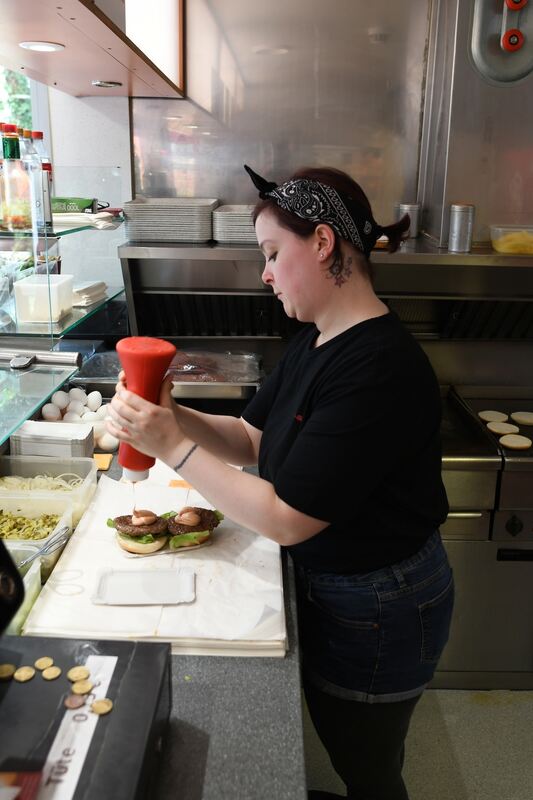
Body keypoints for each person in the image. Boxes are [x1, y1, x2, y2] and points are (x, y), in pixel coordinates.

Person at [107, 164, 454, 800]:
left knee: (367, 762)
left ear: (323, 243)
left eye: (272, 253)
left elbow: (288, 516)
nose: (264, 273)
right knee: (337, 733)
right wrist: (168, 413)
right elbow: (251, 439)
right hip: (335, 583)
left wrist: (171, 446)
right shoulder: (315, 339)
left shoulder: (378, 365)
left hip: (380, 601)